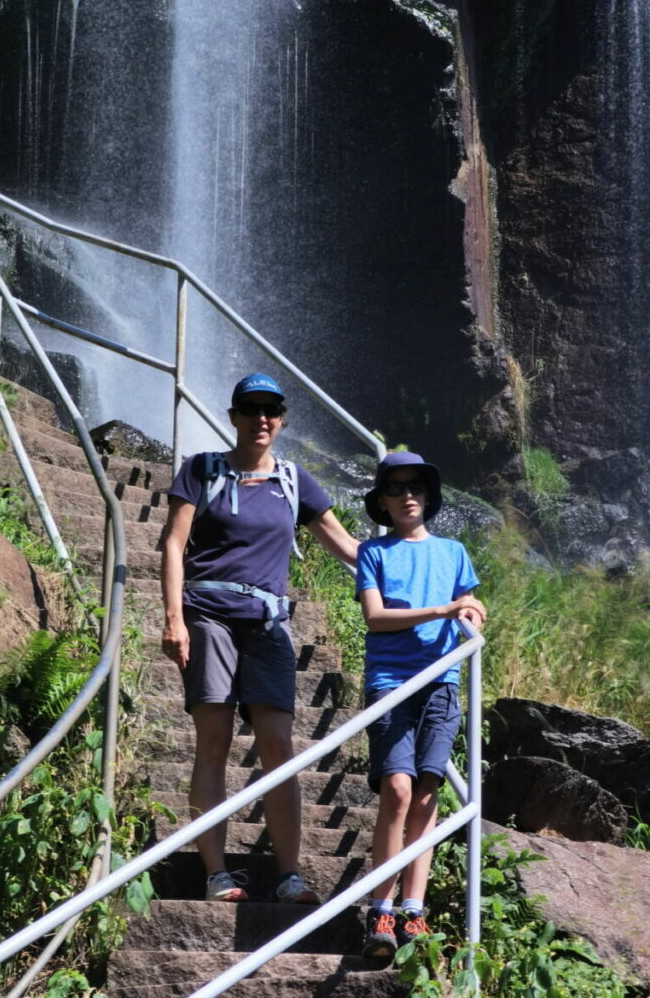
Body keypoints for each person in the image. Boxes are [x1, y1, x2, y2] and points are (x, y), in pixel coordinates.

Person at [161, 372, 359, 904]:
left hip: (268, 623)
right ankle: (217, 873)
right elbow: (174, 544)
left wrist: (425, 573)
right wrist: (174, 618)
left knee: (278, 745)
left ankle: (290, 873)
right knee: (215, 740)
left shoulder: (295, 481)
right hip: (208, 615)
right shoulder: (201, 470)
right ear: (234, 417)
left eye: (271, 410)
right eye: (251, 410)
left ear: (282, 418)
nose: (261, 419)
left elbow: (347, 547)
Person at [356, 451, 486, 959]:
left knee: (428, 792)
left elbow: (472, 605)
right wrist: (443, 609)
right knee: (397, 788)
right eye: (396, 488)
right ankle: (380, 906)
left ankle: (413, 908)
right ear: (383, 502)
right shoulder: (374, 552)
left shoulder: (454, 551)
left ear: (428, 497)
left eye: (416, 487)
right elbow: (374, 617)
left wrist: (471, 613)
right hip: (391, 681)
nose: (407, 495)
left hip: (441, 681)